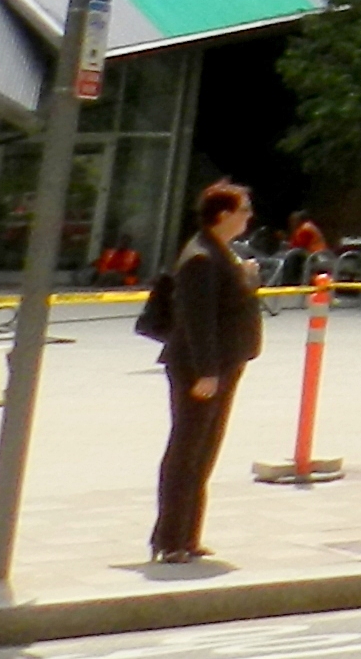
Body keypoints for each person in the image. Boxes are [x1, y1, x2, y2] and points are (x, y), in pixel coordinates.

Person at [148, 180, 265, 564]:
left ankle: (188, 535)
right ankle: (169, 539)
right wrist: (207, 371)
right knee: (187, 451)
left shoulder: (220, 253)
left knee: (204, 451)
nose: (249, 216)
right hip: (201, 369)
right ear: (223, 214)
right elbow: (196, 321)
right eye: (244, 210)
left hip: (224, 365)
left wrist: (245, 277)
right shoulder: (201, 257)